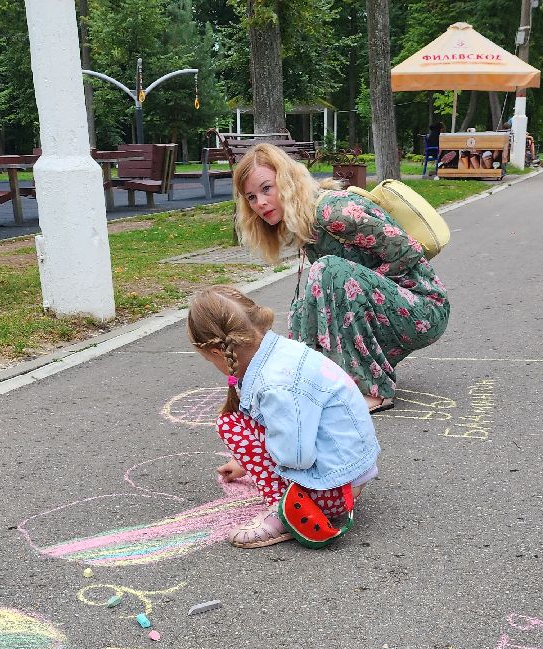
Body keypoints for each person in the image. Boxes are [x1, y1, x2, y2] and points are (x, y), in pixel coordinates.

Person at [232, 142, 449, 412]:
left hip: (423, 308)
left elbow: (409, 252)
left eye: (266, 188)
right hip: (391, 307)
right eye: (251, 197)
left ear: (286, 181)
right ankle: (302, 383)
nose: (260, 203)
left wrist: (359, 286)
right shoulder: (305, 223)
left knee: (329, 273)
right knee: (306, 302)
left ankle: (374, 391)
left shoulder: (334, 211)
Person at [186, 285, 380, 549]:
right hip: (351, 470)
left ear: (218, 353)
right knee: (242, 424)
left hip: (334, 489)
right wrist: (248, 461)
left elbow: (295, 457)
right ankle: (299, 499)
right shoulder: (280, 351)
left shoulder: (273, 385)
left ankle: (284, 512)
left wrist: (259, 457)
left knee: (229, 424)